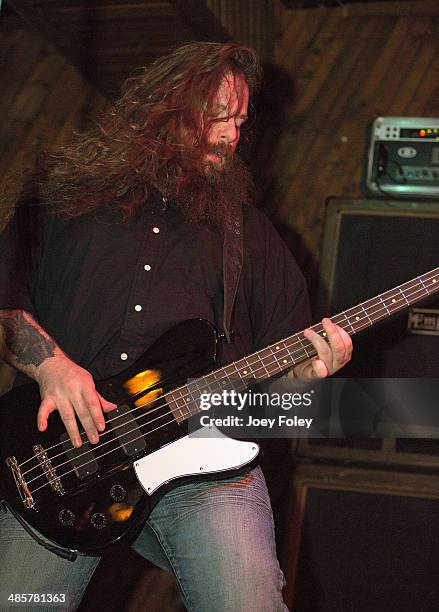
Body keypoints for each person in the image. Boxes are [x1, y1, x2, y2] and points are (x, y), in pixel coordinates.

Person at [0, 42, 352, 611]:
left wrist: (311, 371)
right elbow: (6, 308)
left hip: (204, 465)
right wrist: (50, 366)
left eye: (239, 121)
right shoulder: (59, 203)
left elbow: (282, 384)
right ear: (162, 109)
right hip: (63, 460)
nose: (231, 136)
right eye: (216, 116)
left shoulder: (251, 236)